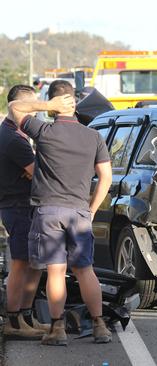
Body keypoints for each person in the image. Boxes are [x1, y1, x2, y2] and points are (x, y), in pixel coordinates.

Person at [8, 80, 113, 346]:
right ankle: (100, 325)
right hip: (79, 211)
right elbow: (106, 178)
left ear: (55, 104)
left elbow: (14, 106)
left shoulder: (43, 130)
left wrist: (45, 105)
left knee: (56, 271)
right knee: (85, 269)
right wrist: (90, 210)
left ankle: (57, 329)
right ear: (75, 104)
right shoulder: (94, 136)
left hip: (49, 211)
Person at [0, 85, 50, 339]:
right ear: (19, 107)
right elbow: (36, 175)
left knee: (34, 264)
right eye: (32, 107)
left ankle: (26, 316)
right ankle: (13, 322)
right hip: (17, 206)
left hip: (21, 205)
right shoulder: (13, 138)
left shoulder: (15, 134)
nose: (35, 113)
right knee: (20, 263)